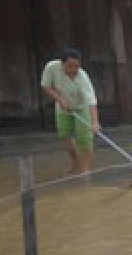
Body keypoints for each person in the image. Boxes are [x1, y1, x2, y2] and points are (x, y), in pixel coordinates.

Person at [40, 47, 100, 175]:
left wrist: (95, 122)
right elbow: (46, 86)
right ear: (62, 63)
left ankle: (86, 170)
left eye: (77, 66)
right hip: (63, 106)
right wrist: (59, 99)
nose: (73, 70)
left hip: (82, 107)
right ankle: (76, 162)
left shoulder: (82, 77)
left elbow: (91, 101)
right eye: (70, 66)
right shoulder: (51, 67)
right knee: (64, 135)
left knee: (84, 139)